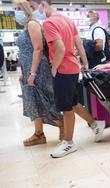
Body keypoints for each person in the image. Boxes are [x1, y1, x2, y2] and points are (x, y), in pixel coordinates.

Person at [28, 0, 105, 158]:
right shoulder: (67, 20)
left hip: (63, 70)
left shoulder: (49, 23)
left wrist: (54, 68)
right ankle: (95, 124)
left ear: (42, 4)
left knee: (66, 108)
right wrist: (84, 62)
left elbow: (60, 48)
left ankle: (69, 142)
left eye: (33, 7)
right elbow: (79, 44)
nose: (32, 11)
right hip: (73, 68)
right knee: (73, 103)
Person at [13, 0, 63, 146]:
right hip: (29, 68)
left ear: (27, 9)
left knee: (43, 100)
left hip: (38, 70)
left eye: (19, 8)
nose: (17, 11)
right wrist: (25, 72)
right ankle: (38, 133)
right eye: (15, 8)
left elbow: (38, 49)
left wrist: (33, 73)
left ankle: (62, 125)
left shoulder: (32, 24)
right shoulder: (26, 27)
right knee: (33, 100)